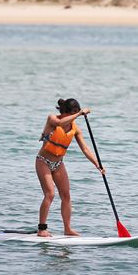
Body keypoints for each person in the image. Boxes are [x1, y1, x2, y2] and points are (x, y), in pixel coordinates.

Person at [35, 98, 104, 237]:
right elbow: (60, 122)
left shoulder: (75, 129)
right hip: (43, 161)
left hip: (59, 164)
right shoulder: (52, 119)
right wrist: (79, 114)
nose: (73, 118)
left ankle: (67, 228)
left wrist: (97, 164)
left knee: (66, 196)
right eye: (72, 114)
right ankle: (42, 229)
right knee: (50, 194)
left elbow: (85, 148)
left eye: (76, 114)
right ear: (65, 112)